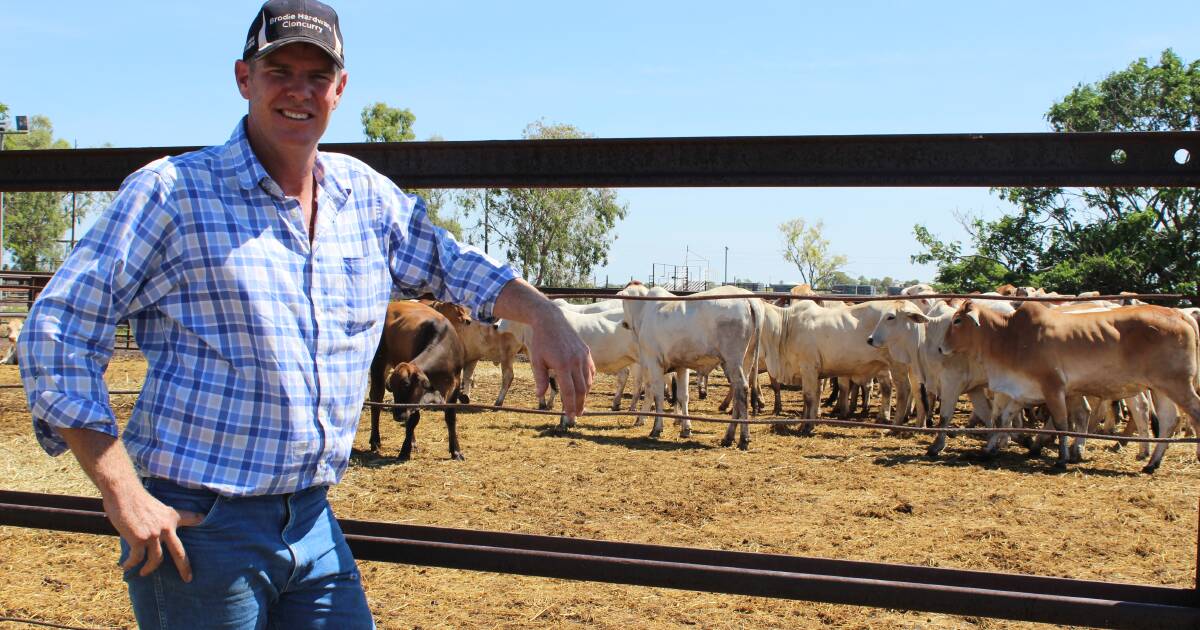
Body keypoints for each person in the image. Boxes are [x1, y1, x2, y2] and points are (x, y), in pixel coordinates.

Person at [17, 1, 594, 627]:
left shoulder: (363, 197)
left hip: (313, 518)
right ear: (244, 79)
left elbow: (451, 261)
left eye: (317, 76)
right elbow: (57, 330)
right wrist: (121, 493)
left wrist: (545, 314)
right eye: (279, 71)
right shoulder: (174, 193)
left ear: (339, 89)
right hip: (201, 522)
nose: (299, 91)